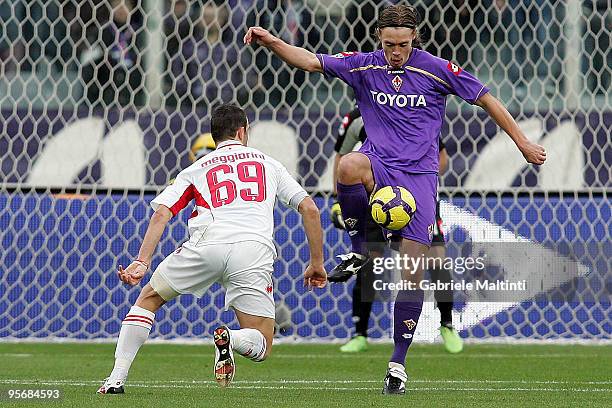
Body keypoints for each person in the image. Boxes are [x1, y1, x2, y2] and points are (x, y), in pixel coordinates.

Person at [244, 3, 546, 394]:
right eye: (389, 44)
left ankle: (398, 363)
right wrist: (273, 42)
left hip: (419, 179)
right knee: (347, 166)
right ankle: (360, 249)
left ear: (414, 38)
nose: (396, 52)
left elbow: (486, 97)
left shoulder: (435, 68)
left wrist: (522, 143)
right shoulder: (364, 65)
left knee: (413, 272)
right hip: (378, 163)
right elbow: (311, 61)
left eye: (403, 44)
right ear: (379, 39)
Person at [97, 104, 327, 394]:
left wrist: (142, 261)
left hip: (205, 246)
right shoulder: (268, 163)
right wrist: (316, 262)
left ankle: (115, 379)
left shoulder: (196, 168)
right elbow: (310, 208)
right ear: (243, 131)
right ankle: (230, 338)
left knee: (149, 299)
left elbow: (162, 213)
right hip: (252, 250)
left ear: (214, 135)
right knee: (262, 342)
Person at [330, 106, 463, 354]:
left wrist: (423, 180)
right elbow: (341, 158)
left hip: (416, 198)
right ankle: (360, 334)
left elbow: (442, 156)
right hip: (376, 201)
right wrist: (338, 201)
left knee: (436, 260)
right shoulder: (356, 119)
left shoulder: (412, 111)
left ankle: (447, 324)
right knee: (369, 262)